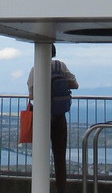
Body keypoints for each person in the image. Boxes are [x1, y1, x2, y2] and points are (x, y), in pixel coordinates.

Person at [27, 45, 79, 193]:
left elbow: (32, 95)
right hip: (60, 116)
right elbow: (75, 84)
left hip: (41, 118)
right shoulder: (60, 66)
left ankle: (40, 186)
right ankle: (61, 189)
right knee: (60, 156)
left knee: (40, 154)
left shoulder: (35, 69)